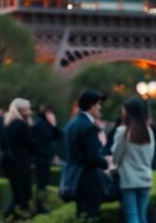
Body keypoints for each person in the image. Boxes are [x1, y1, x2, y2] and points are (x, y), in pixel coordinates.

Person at [64, 89, 110, 219]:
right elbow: (93, 158)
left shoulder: (71, 124)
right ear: (91, 105)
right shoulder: (88, 127)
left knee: (82, 215)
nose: (100, 107)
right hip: (89, 181)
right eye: (98, 104)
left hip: (75, 178)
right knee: (91, 215)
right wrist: (106, 163)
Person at [111, 97, 155, 223]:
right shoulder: (149, 132)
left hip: (128, 179)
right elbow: (150, 156)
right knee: (142, 216)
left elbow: (116, 156)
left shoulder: (123, 131)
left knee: (132, 216)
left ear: (128, 112)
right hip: (145, 178)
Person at [0, 97, 37, 218]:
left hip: (10, 163)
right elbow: (31, 144)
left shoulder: (7, 123)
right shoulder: (22, 124)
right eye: (27, 109)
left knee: (16, 194)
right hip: (21, 164)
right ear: (22, 110)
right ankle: (19, 216)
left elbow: (3, 145)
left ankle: (8, 216)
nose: (29, 112)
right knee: (24, 194)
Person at [31, 105, 62, 213]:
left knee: (43, 183)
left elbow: (58, 135)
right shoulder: (39, 123)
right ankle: (39, 206)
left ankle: (40, 205)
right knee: (41, 183)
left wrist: (54, 124)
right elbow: (46, 138)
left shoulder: (46, 123)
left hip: (45, 158)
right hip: (41, 159)